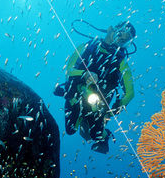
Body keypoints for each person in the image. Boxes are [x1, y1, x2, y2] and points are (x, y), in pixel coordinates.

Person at [55, 21, 136, 153]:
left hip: (98, 106)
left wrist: (115, 109)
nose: (120, 39)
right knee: (70, 130)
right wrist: (84, 74)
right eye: (120, 33)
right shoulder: (87, 47)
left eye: (125, 40)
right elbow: (69, 70)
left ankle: (105, 136)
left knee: (92, 134)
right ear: (110, 28)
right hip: (76, 95)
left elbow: (130, 93)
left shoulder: (121, 64)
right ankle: (70, 100)